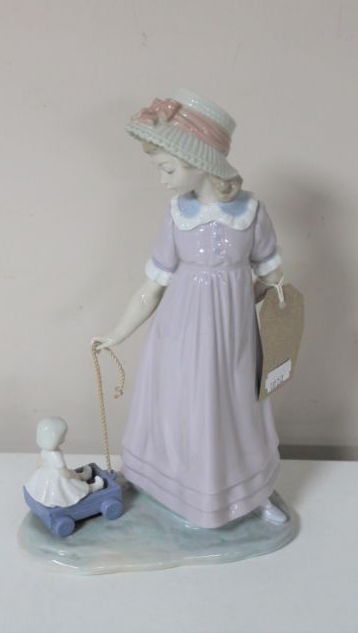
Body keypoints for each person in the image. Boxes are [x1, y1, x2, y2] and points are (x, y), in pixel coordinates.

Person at [92, 89, 287, 528]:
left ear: (201, 163)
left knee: (238, 411)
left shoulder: (251, 213)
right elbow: (152, 286)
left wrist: (261, 303)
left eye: (168, 169)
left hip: (233, 340)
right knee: (181, 408)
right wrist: (117, 333)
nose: (163, 180)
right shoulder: (176, 214)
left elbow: (273, 274)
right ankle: (173, 488)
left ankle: (250, 493)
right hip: (179, 334)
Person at [25, 417, 104, 508]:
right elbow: (64, 473)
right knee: (76, 487)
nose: (64, 438)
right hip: (58, 478)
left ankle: (84, 476)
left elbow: (38, 464)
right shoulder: (56, 454)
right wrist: (71, 474)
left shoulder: (44, 451)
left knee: (73, 476)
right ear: (55, 438)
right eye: (62, 436)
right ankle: (94, 487)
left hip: (46, 475)